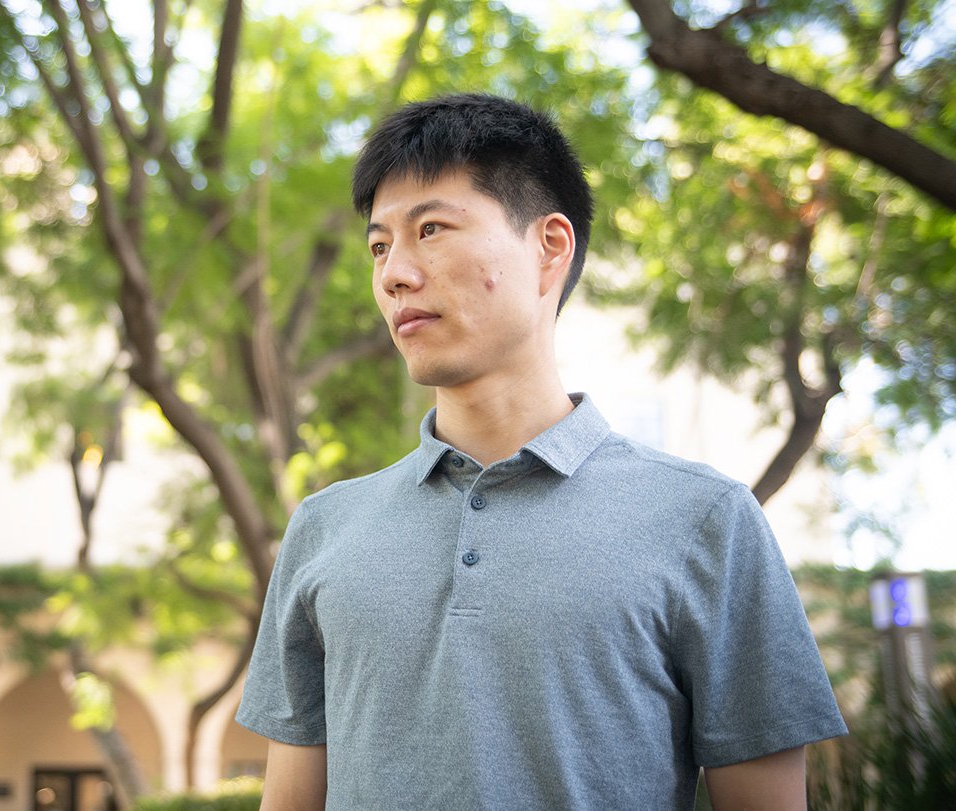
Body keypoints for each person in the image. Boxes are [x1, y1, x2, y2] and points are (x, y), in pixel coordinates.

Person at [234, 94, 847, 810]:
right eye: (379, 245)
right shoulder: (323, 526)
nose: (394, 273)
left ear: (550, 246)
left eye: (430, 228)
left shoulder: (706, 520)